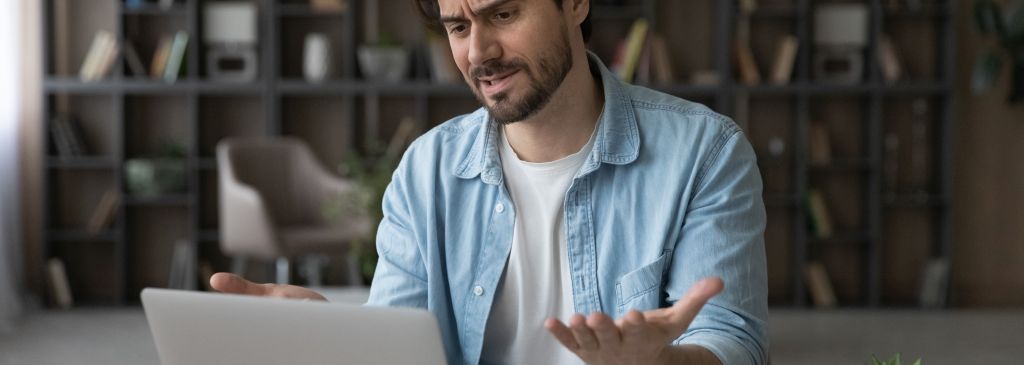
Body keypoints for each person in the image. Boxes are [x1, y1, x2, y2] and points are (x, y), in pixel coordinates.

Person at [210, 0, 769, 364]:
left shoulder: (704, 152)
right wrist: (333, 343)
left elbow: (733, 341)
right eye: (458, 26)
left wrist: (661, 362)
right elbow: (402, 345)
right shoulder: (425, 170)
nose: (479, 53)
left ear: (574, 4)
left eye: (502, 15)